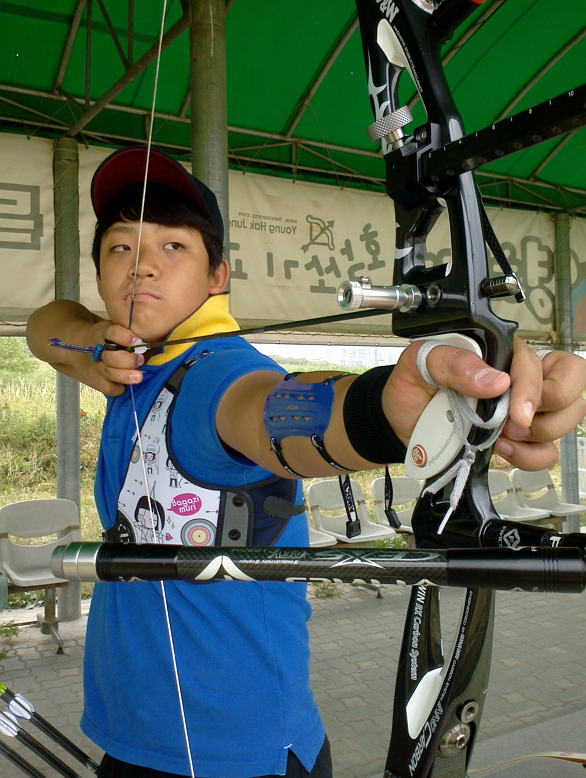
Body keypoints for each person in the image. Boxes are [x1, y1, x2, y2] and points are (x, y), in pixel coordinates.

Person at [27, 147, 586, 778]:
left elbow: (276, 411)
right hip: (130, 734)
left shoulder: (216, 375)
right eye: (120, 248)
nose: (141, 267)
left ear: (217, 276)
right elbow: (47, 325)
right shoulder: (129, 366)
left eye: (173, 246)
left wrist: (389, 410)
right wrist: (92, 345)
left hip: (231, 755)